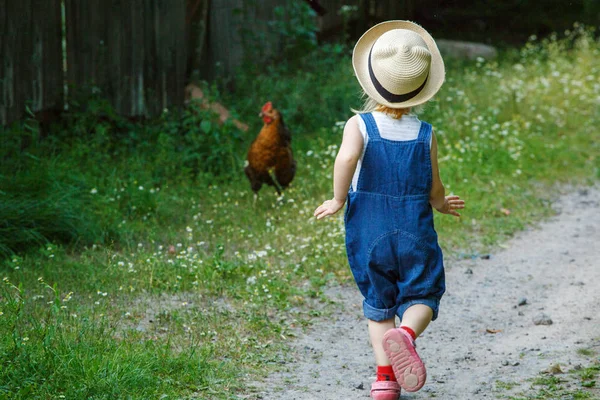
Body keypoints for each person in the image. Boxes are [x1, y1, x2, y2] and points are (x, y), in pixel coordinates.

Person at [314, 20, 465, 400]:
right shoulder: (426, 133)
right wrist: (441, 204)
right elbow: (434, 184)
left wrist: (337, 199)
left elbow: (347, 158)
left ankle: (384, 380)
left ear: (371, 80)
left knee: (379, 304)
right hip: (415, 225)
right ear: (421, 90)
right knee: (424, 293)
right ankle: (408, 334)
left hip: (368, 226)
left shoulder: (359, 125)